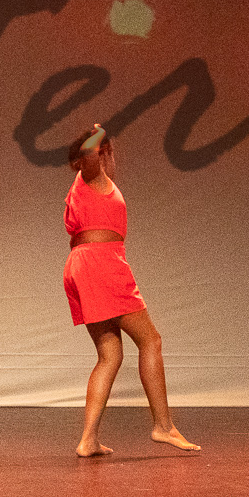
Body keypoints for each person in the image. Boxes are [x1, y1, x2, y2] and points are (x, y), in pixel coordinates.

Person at [63, 124, 199, 457]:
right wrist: (99, 133)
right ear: (100, 152)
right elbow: (87, 152)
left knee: (110, 354)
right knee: (150, 340)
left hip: (84, 265)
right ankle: (163, 426)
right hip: (101, 264)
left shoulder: (90, 186)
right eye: (105, 151)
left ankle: (88, 439)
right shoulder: (91, 176)